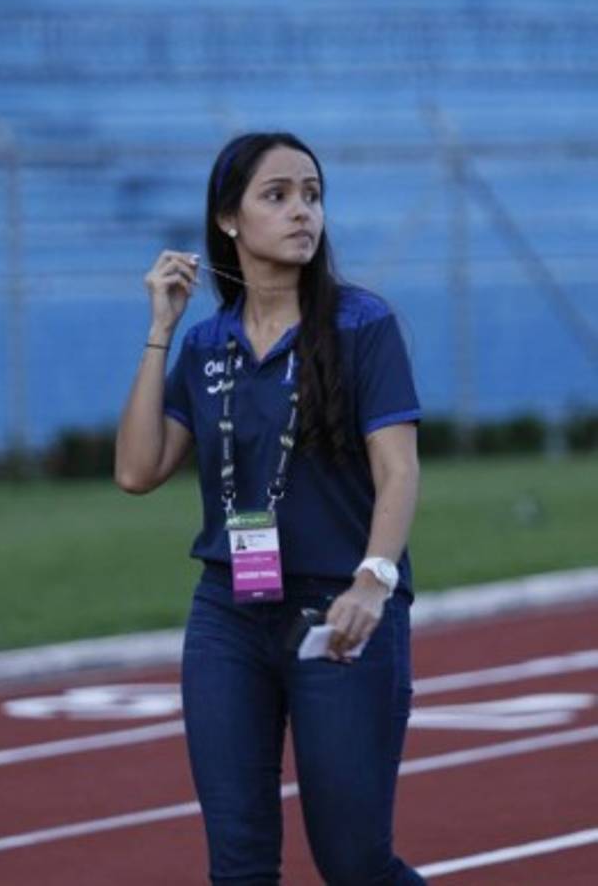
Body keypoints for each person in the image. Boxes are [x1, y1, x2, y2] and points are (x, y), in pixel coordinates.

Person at [115, 132, 428, 886]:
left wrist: (372, 579)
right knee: (240, 865)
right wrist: (160, 330)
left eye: (312, 195)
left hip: (338, 613)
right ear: (228, 219)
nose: (302, 213)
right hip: (228, 613)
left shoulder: (362, 325)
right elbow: (135, 470)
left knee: (354, 863)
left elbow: (398, 470)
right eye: (277, 195)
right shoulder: (206, 344)